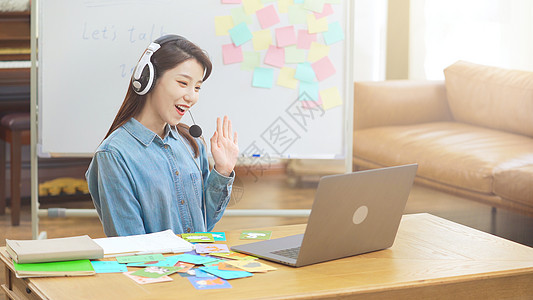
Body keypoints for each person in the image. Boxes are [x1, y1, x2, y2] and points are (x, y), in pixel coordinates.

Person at [86, 35, 239, 237]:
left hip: (198, 264)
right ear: (148, 79)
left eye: (197, 87)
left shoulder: (191, 144)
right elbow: (130, 244)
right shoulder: (113, 155)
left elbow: (205, 225)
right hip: (156, 268)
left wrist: (222, 171)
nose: (192, 96)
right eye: (183, 83)